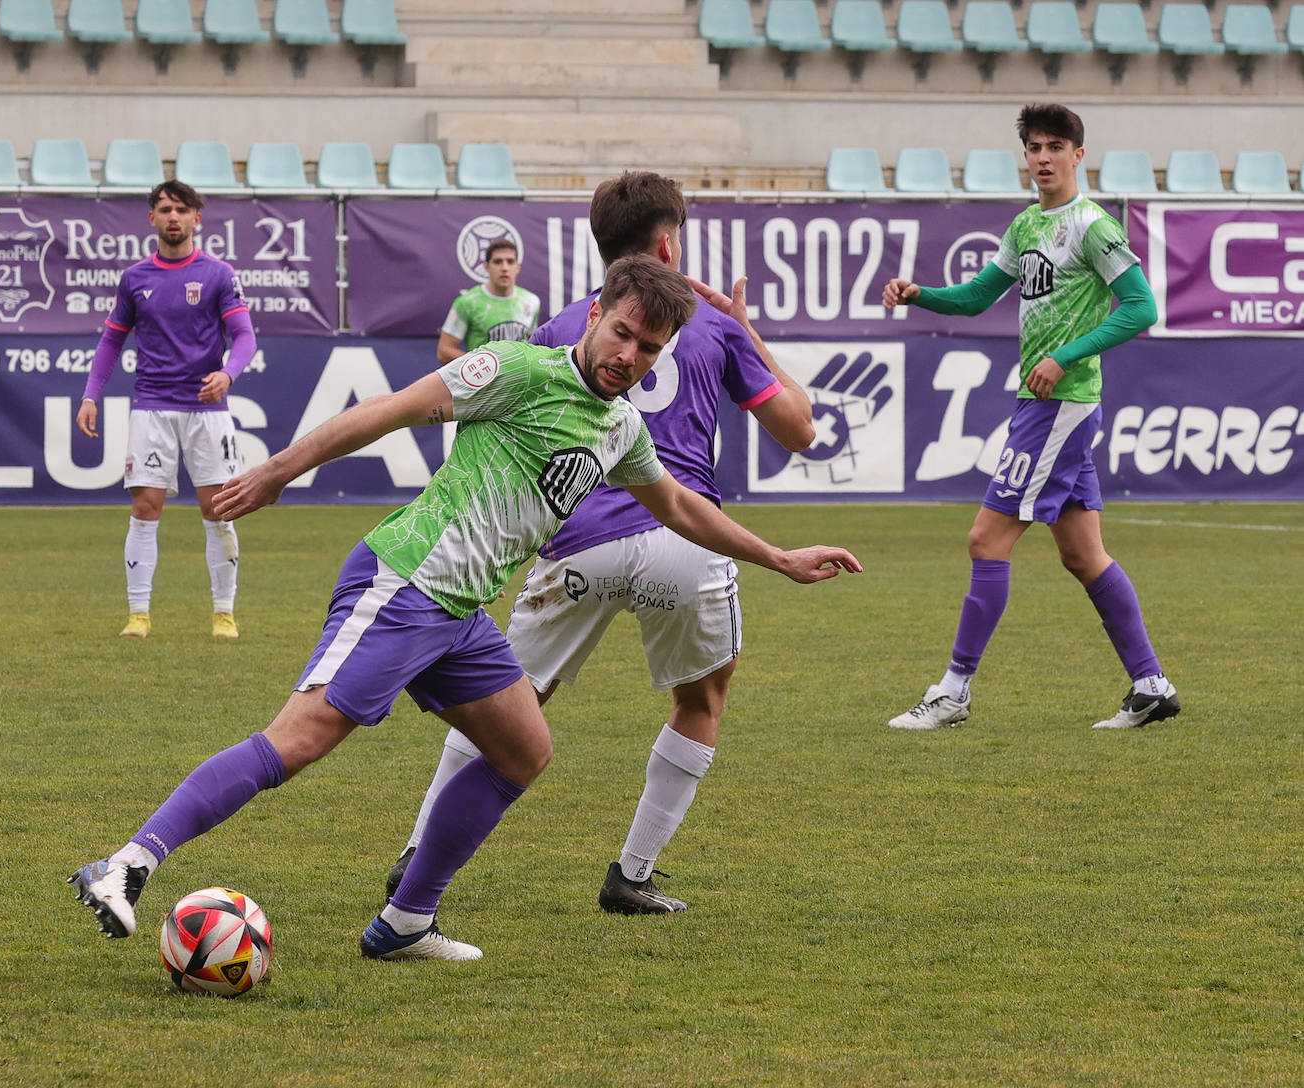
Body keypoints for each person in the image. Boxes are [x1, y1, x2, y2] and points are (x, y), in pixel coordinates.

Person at [68, 254, 862, 962]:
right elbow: (392, 409)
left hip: (461, 614)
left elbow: (681, 508)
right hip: (407, 581)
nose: (630, 357)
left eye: (648, 348)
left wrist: (778, 558)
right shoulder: (517, 369)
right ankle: (128, 863)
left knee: (524, 751)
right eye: (621, 333)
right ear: (594, 316)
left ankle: (406, 919)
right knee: (301, 738)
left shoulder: (619, 425)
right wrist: (280, 470)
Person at [386, 171, 818, 916]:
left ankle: (419, 851)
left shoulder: (568, 326)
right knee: (703, 696)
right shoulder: (708, 322)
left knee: (505, 700)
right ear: (667, 242)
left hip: (579, 542)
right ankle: (634, 873)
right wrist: (747, 328)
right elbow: (799, 430)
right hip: (682, 541)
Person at [881, 103, 1177, 732]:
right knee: (1083, 554)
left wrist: (1064, 356)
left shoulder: (1093, 227)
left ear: (1078, 154)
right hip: (1041, 402)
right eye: (1034, 147)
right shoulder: (1024, 228)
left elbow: (1141, 307)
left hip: (1060, 405)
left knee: (986, 540)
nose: (1043, 157)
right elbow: (978, 296)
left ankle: (954, 691)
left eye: (1055, 146)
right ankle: (1151, 683)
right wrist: (921, 294)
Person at [76, 179, 258, 640]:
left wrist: (228, 375)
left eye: (181, 209)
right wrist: (91, 395)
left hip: (207, 409)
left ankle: (223, 614)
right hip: (152, 406)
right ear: (151, 219)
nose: (173, 217)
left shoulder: (218, 274)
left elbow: (244, 337)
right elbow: (112, 339)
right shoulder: (136, 278)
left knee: (218, 509)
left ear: (197, 219)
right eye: (164, 209)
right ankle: (138, 614)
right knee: (145, 505)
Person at [436, 238, 540, 363]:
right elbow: (444, 351)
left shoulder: (531, 301)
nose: (504, 268)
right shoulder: (467, 303)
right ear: (486, 266)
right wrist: (482, 364)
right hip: (485, 381)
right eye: (497, 262)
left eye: (510, 261)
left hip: (520, 380)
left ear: (517, 267)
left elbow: (533, 344)